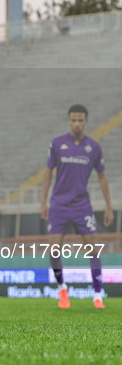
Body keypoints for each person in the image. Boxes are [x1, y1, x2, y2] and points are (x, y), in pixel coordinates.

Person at [40, 104, 113, 309]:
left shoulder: (94, 147)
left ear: (86, 122)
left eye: (80, 120)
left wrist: (109, 206)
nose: (77, 123)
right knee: (54, 250)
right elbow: (48, 172)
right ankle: (62, 289)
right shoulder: (57, 144)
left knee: (93, 249)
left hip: (82, 205)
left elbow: (101, 176)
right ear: (69, 121)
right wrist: (43, 201)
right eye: (73, 120)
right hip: (59, 204)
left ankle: (97, 295)